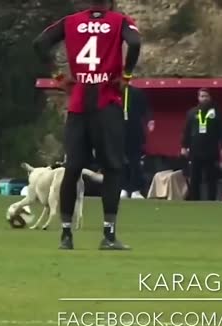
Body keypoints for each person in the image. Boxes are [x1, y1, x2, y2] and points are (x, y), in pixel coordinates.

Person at [33, 0, 141, 250]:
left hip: (79, 103)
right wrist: (126, 75)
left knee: (72, 169)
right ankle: (109, 236)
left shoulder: (70, 22)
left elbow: (39, 43)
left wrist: (58, 76)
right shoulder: (120, 21)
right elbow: (135, 43)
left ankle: (66, 236)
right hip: (106, 101)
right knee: (112, 167)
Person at [180, 88, 222, 201]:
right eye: (202, 96)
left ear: (210, 97)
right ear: (198, 98)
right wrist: (183, 146)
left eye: (206, 96)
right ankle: (194, 199)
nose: (204, 98)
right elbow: (186, 130)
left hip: (211, 149)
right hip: (195, 149)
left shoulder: (217, 112)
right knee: (195, 176)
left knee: (211, 177)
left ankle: (211, 199)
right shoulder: (192, 112)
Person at [120, 84, 151, 199]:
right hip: (119, 132)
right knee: (121, 162)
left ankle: (135, 189)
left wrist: (149, 120)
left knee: (135, 162)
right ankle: (123, 188)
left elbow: (145, 109)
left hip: (135, 132)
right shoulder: (114, 93)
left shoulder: (137, 92)